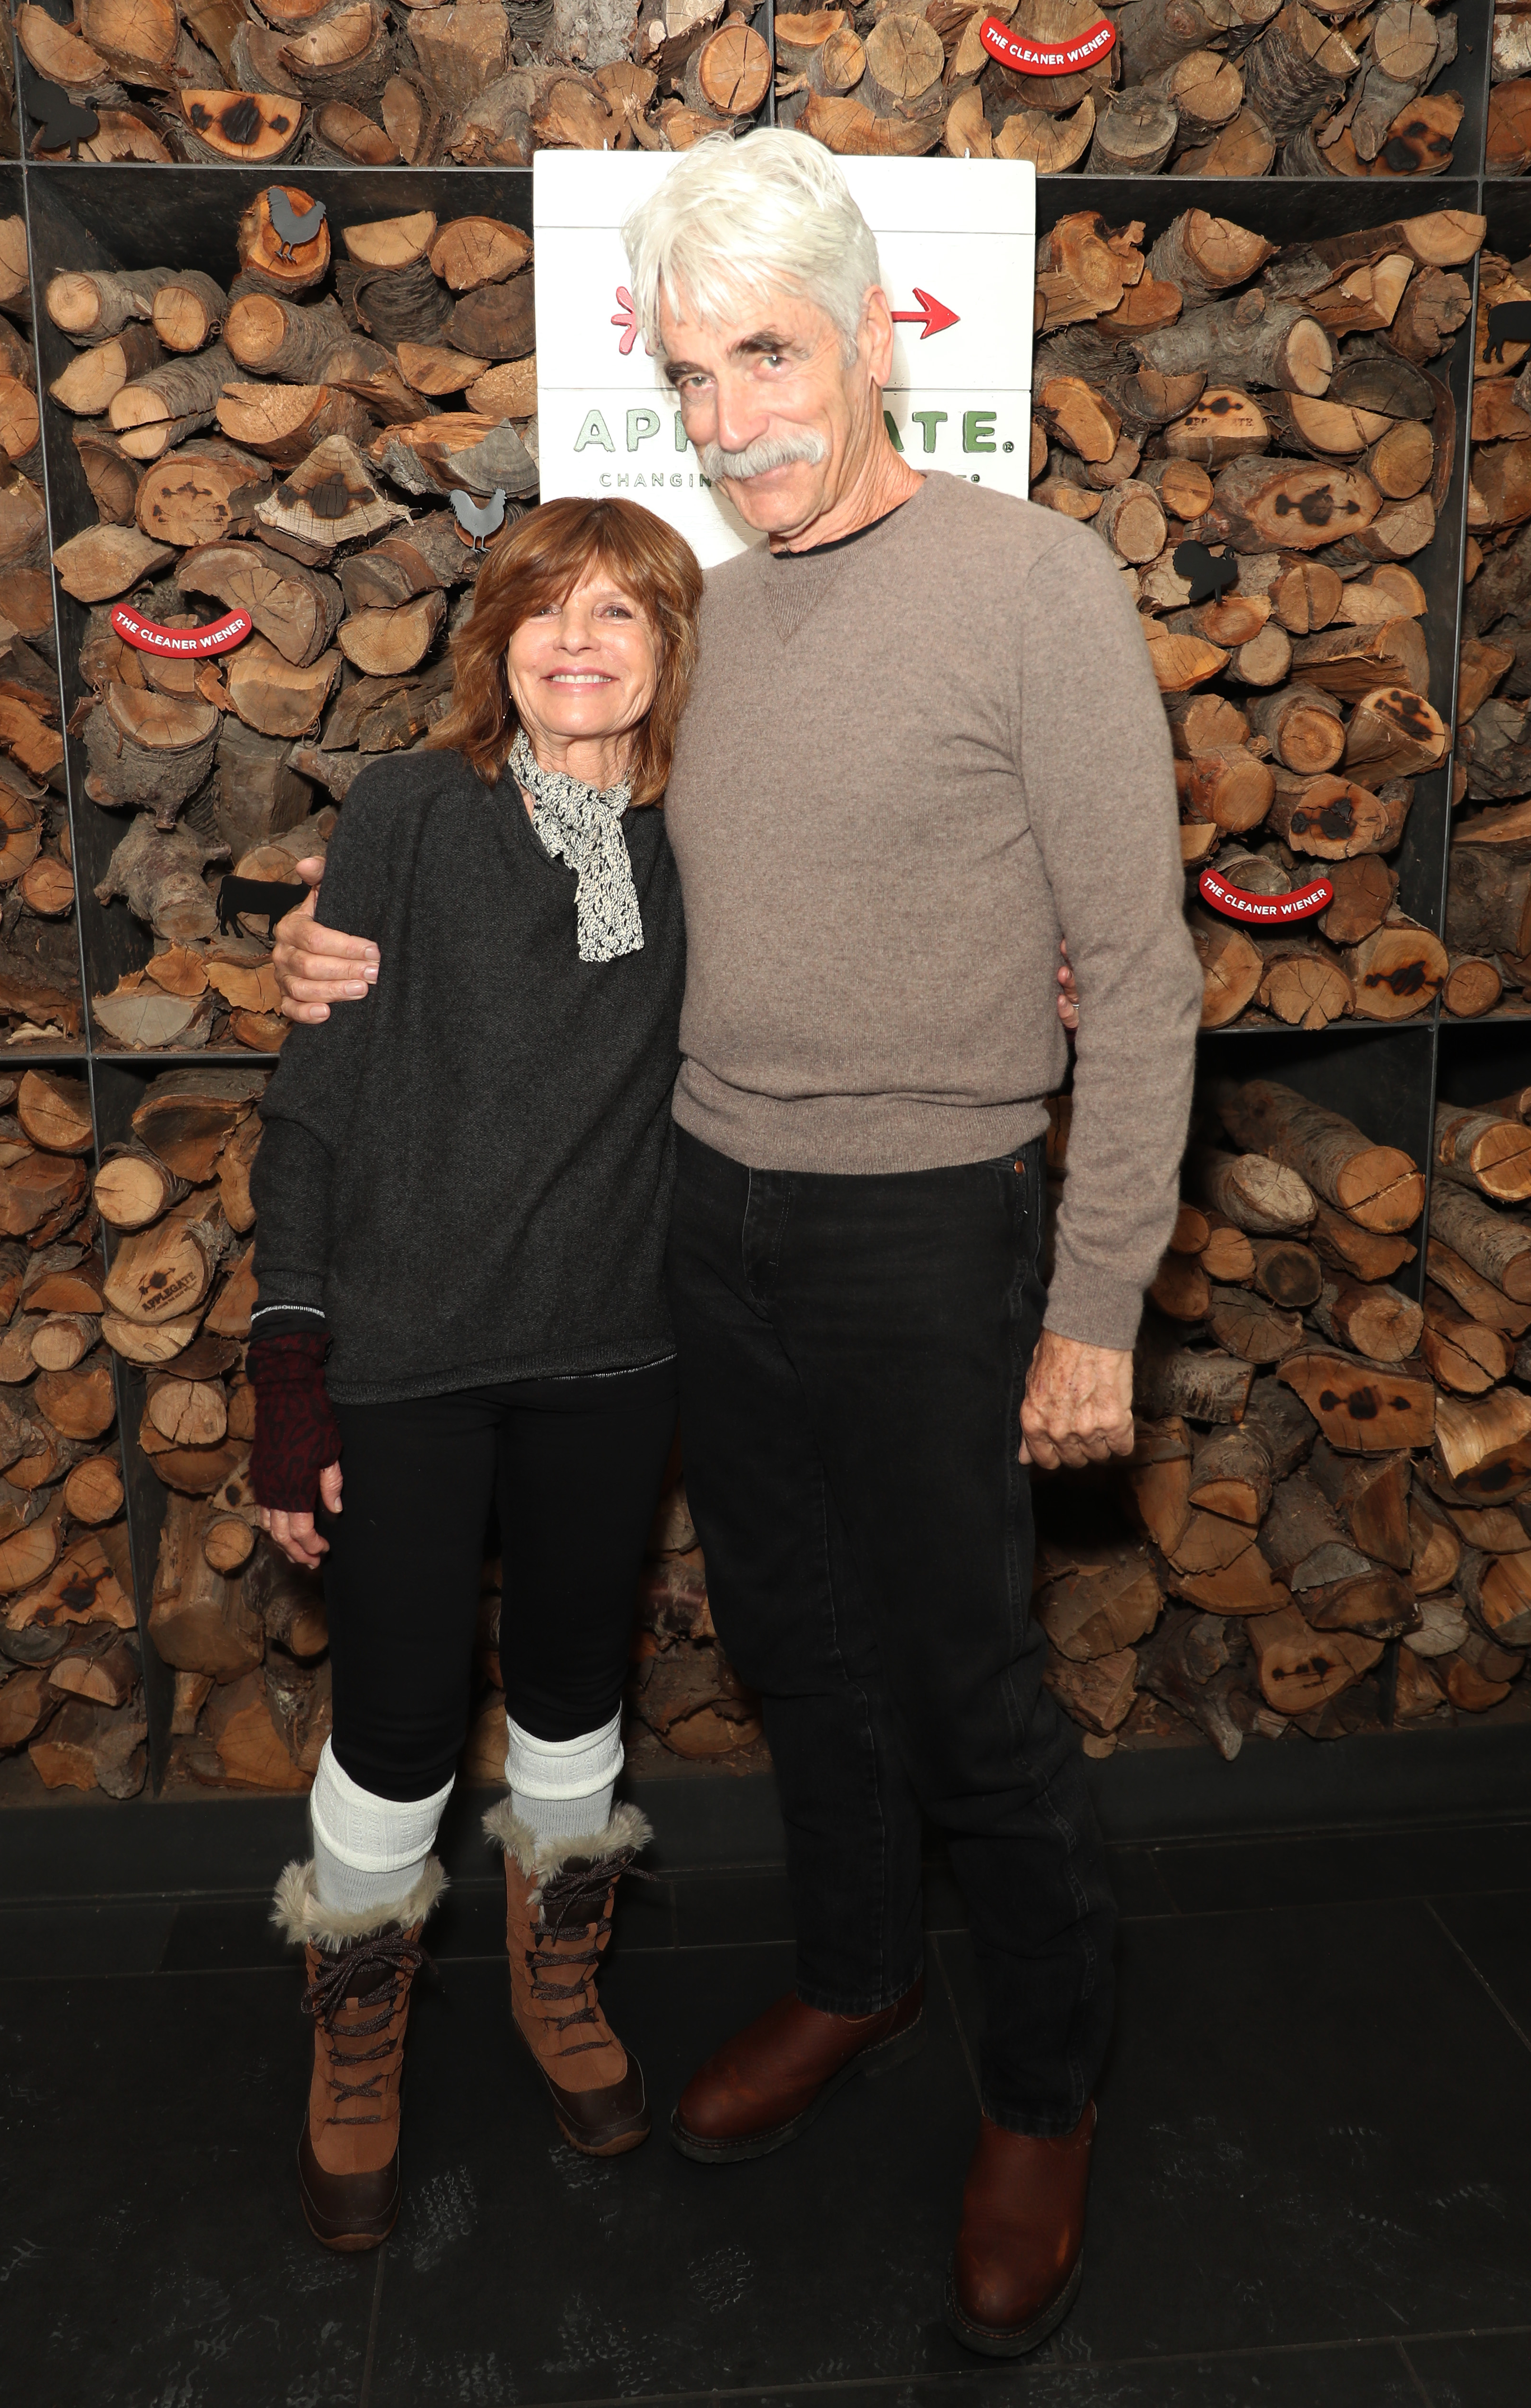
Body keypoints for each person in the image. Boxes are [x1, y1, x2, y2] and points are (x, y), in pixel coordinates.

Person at [271, 131, 1201, 2354]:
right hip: (697, 1216)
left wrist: (1091, 1303)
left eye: (765, 356)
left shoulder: (1032, 582)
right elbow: (531, 868)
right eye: (688, 376)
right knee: (796, 1651)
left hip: (923, 1228)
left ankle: (1044, 2093)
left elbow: (1141, 973)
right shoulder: (702, 614)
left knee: (973, 1688)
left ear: (879, 339)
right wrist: (312, 957)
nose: (728, 418)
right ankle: (858, 1979)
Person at [247, 495, 701, 2252]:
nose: (578, 642)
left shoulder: (694, 834)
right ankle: (356, 2028)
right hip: (413, 1356)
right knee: (401, 1713)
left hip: (617, 1347)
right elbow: (318, 1097)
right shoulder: (414, 813)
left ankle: (556, 1977)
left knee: (581, 1689)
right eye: (545, 609)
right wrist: (294, 1360)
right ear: (495, 637)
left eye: (620, 614)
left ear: (669, 649)